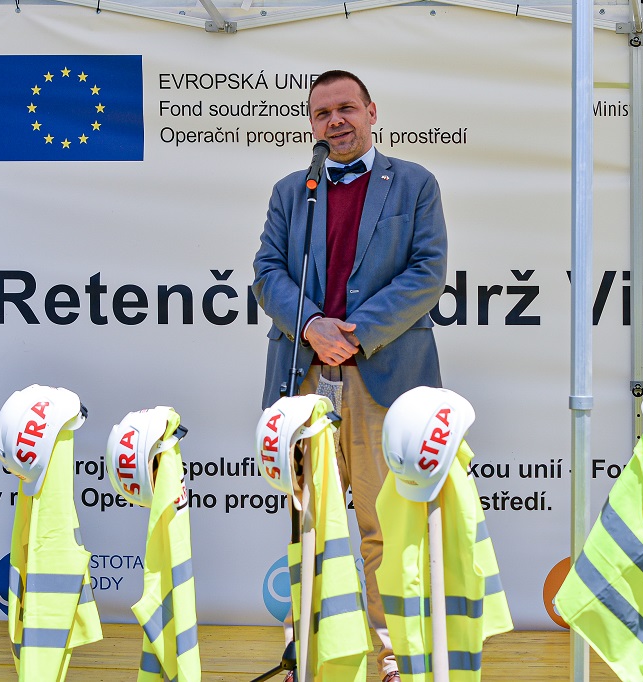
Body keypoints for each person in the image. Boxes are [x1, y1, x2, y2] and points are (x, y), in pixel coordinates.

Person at [252, 69, 448, 682]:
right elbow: (266, 271)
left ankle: (388, 655)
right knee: (307, 519)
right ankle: (305, 653)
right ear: (312, 125)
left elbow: (427, 272)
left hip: (381, 372)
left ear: (370, 111)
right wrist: (312, 326)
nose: (334, 121)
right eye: (321, 113)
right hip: (303, 373)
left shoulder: (415, 183)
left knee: (377, 522)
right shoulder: (294, 189)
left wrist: (354, 331)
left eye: (345, 108)